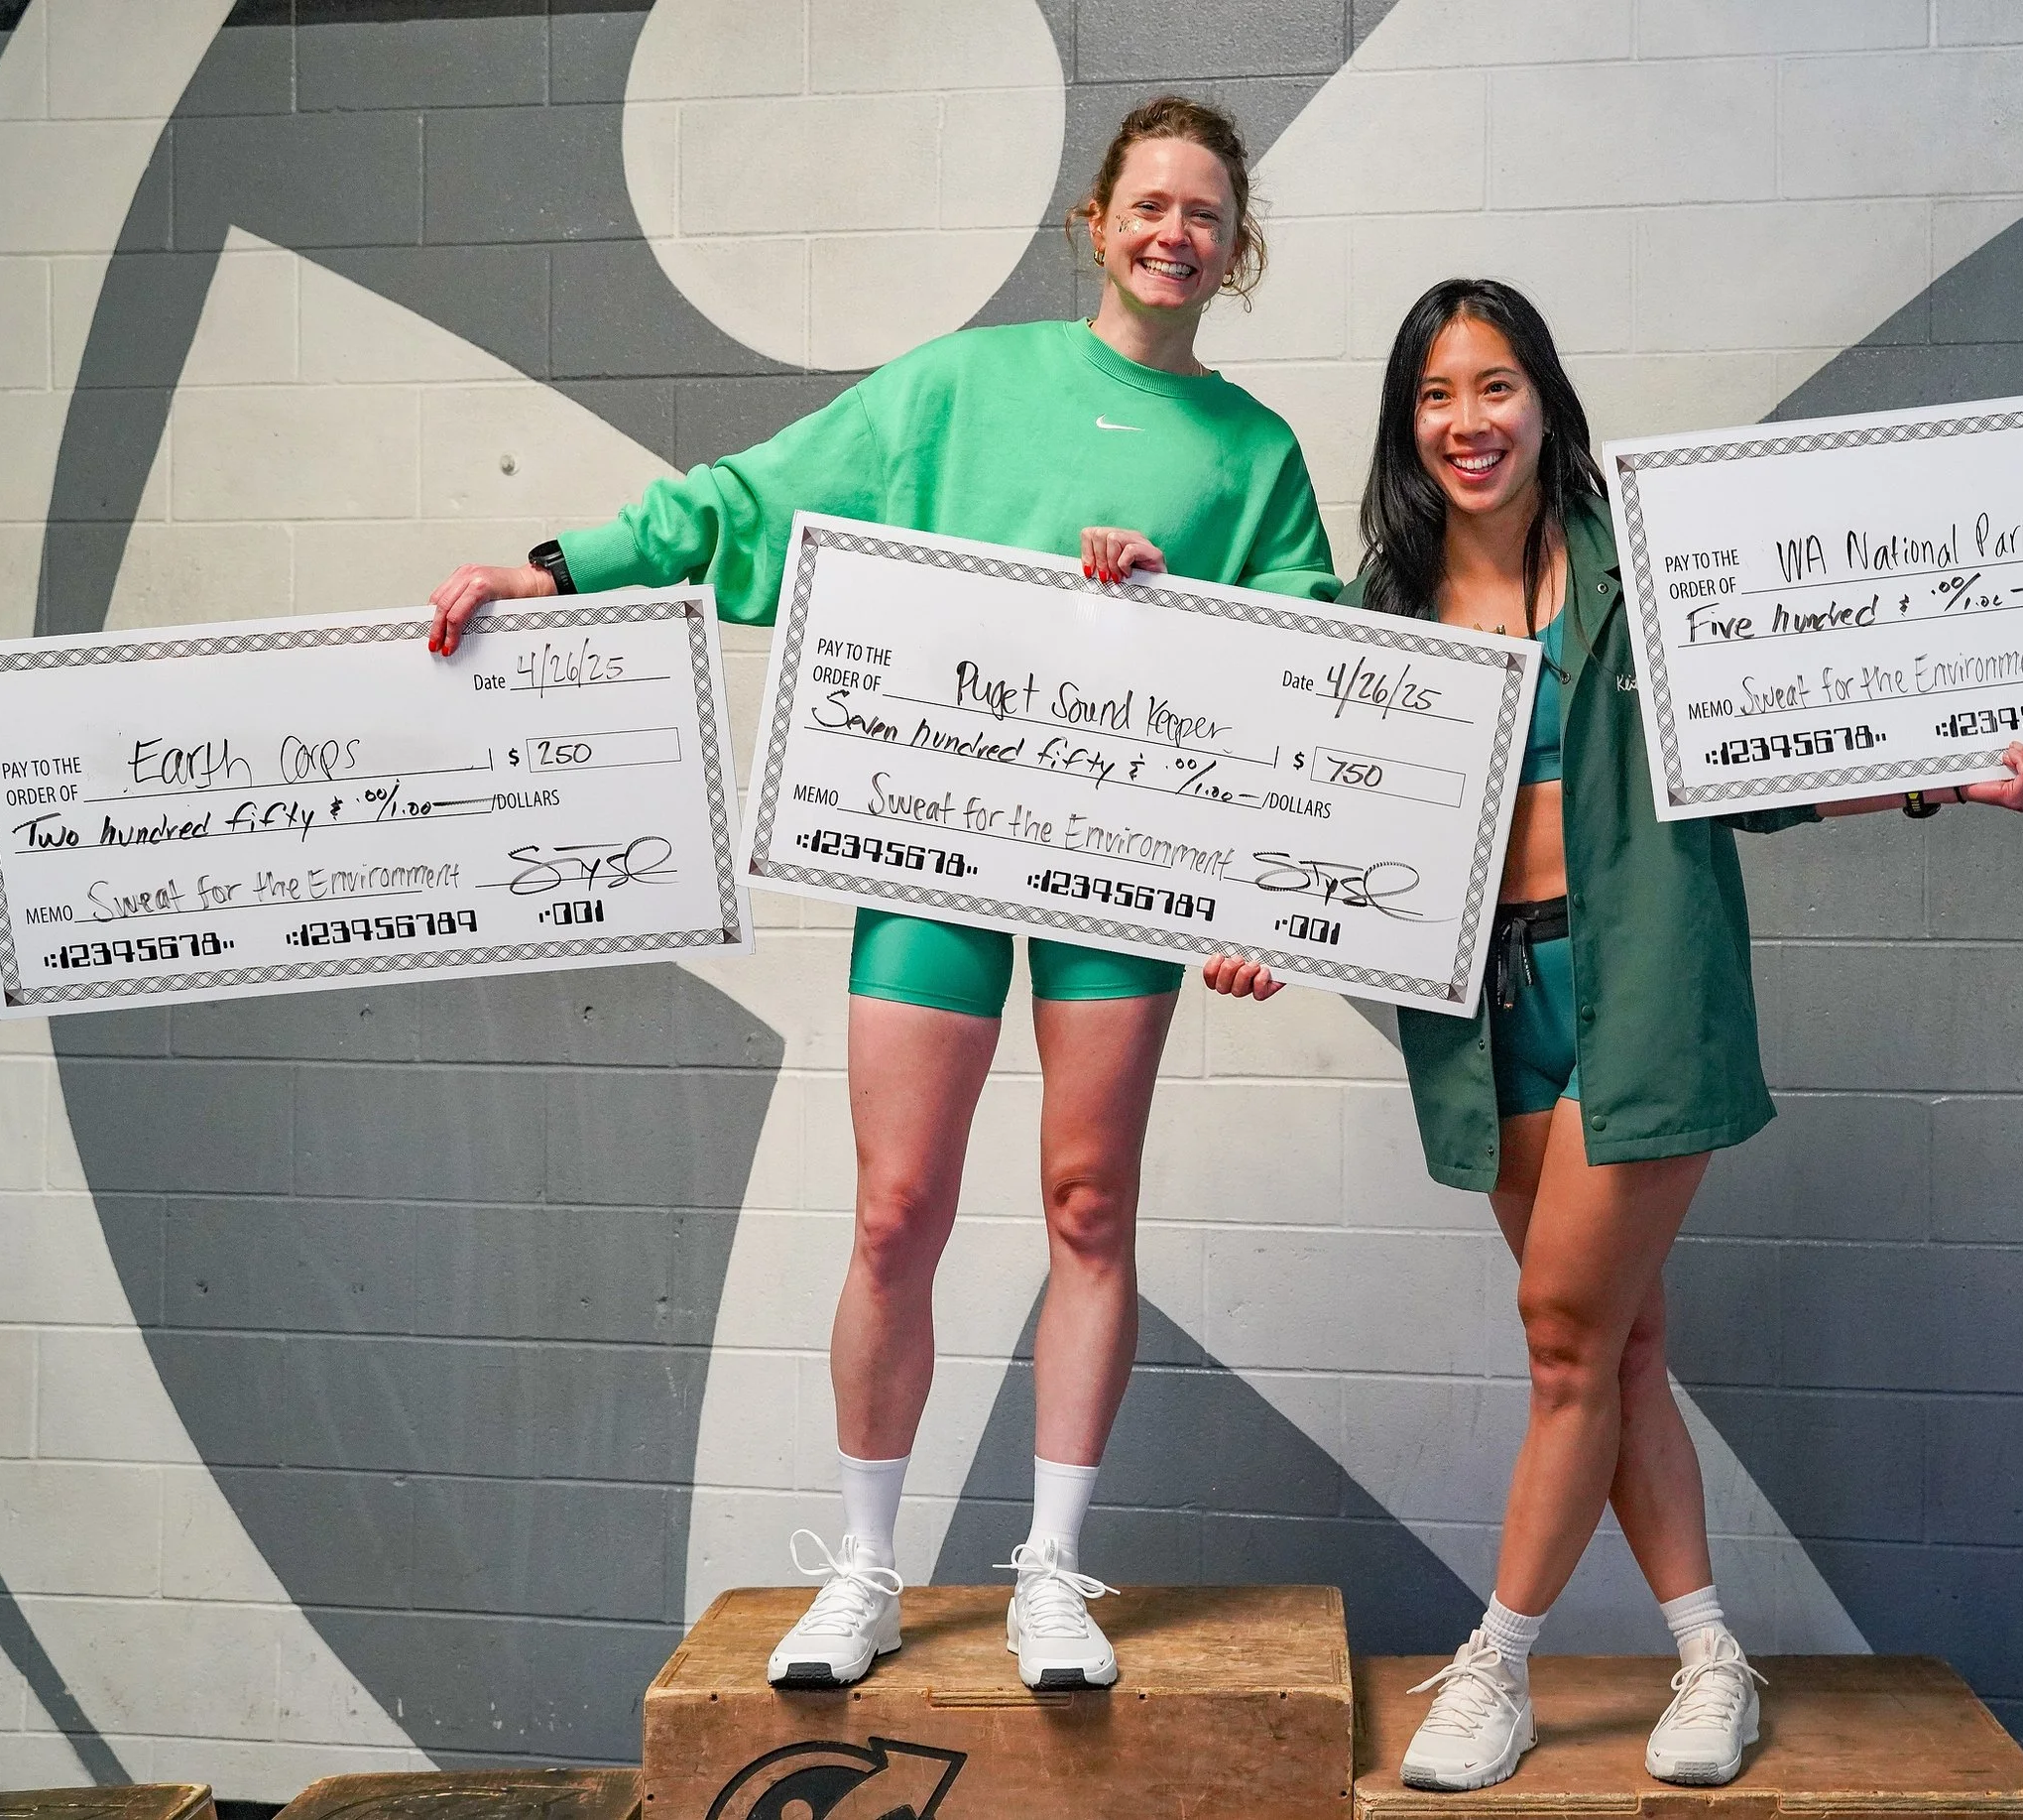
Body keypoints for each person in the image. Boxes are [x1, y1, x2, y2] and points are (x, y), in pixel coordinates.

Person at [424, 95, 1338, 1693]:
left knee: (1089, 1205)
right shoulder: (958, 387)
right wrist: (554, 565)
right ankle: (863, 1565)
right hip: (932, 841)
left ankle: (1053, 1568)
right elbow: (750, 497)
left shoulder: (1255, 454)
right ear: (1095, 222)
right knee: (894, 1209)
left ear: (1236, 246)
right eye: (1149, 204)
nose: (1174, 233)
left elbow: (1305, 660)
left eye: (1205, 212)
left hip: (1118, 865)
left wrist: (1180, 625)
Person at [1204, 279, 2023, 1790]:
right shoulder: (1383, 610)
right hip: (1488, 1012)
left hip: (1644, 992)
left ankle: (1497, 1665)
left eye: (1494, 386)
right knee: (1622, 1346)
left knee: (1562, 1338)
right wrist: (1275, 922)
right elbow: (1300, 798)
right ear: (1408, 424)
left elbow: (1778, 755)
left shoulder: (1653, 570)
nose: (1467, 421)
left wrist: (1951, 772)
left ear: (1545, 400)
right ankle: (1711, 1657)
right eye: (1435, 395)